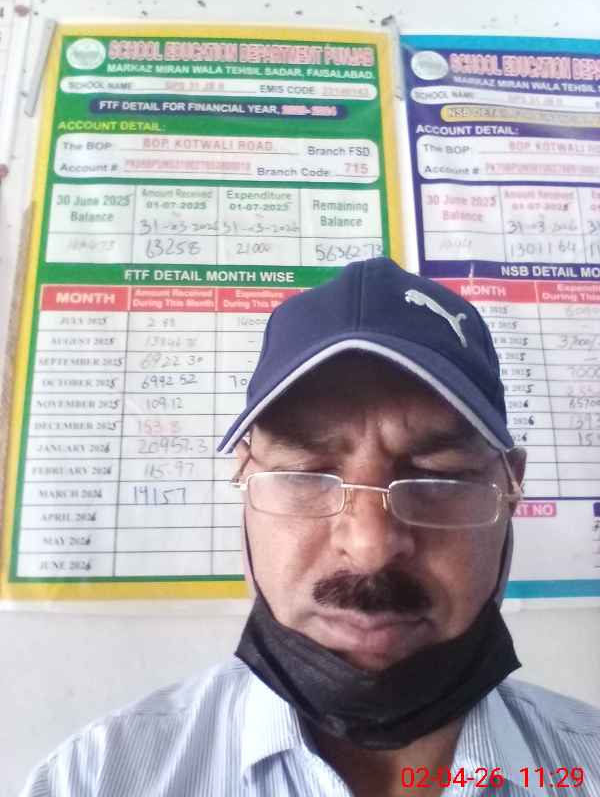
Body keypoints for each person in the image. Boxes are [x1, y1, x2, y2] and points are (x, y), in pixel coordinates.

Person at [21, 258, 600, 796]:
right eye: (304, 474)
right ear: (245, 476)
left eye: (438, 476)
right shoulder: (94, 780)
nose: (370, 547)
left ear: (511, 486)